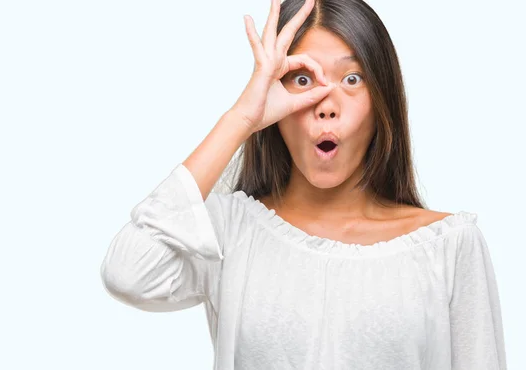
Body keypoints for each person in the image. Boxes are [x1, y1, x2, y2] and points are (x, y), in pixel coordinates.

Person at [99, 0, 507, 368]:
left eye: (352, 79)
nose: (327, 106)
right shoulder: (229, 233)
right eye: (302, 79)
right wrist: (241, 119)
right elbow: (128, 272)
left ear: (382, 98)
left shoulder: (447, 245)